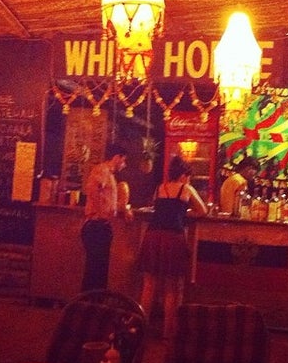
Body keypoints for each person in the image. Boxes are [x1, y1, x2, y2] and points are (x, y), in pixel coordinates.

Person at [138, 155, 207, 339]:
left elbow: (157, 208)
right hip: (172, 237)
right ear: (183, 174)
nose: (188, 179)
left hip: (153, 236)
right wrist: (183, 213)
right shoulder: (187, 189)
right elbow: (203, 210)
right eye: (188, 175)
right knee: (172, 287)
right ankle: (169, 332)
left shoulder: (160, 188)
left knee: (149, 285)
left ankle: (141, 329)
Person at [80, 142, 131, 292]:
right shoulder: (102, 170)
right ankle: (89, 301)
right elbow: (92, 190)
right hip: (96, 226)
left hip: (101, 226)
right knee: (95, 270)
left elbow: (109, 201)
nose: (124, 165)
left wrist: (124, 208)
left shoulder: (110, 175)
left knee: (99, 269)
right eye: (124, 160)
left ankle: (94, 300)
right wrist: (102, 213)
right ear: (116, 157)